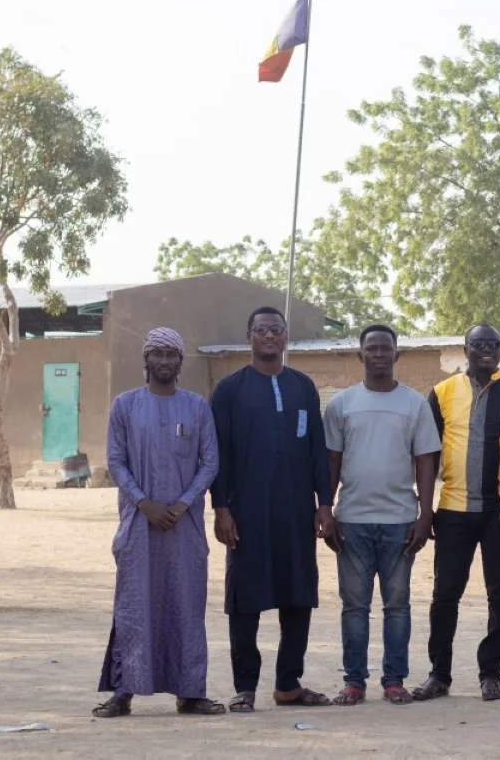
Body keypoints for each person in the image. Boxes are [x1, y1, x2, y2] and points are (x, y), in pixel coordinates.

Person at [209, 306, 336, 714]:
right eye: (261, 330)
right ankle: (245, 686)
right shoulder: (229, 390)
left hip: (297, 512)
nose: (269, 336)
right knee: (245, 598)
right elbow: (220, 455)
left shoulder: (303, 387)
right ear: (249, 336)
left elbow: (318, 450)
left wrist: (325, 503)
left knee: (298, 596)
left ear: (286, 337)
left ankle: (287, 684)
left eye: (276, 330)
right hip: (246, 513)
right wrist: (222, 508)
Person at [94, 327, 224, 718]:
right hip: (138, 526)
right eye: (158, 354)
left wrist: (183, 504)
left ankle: (191, 692)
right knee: (134, 605)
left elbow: (211, 462)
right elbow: (116, 462)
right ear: (146, 360)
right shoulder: (125, 405)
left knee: (187, 605)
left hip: (185, 528)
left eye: (172, 355)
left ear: (181, 362)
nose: (165, 361)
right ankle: (124, 691)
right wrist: (144, 503)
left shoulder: (197, 407)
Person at [323, 324, 441, 706]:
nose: (378, 355)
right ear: (360, 355)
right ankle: (354, 681)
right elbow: (332, 463)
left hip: (400, 522)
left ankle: (394, 680)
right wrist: (326, 510)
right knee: (354, 606)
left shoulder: (414, 404)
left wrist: (425, 514)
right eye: (370, 348)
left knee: (397, 606)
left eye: (384, 349)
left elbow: (426, 461)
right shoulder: (342, 405)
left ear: (396, 355)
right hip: (352, 521)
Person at [412, 324, 500, 703]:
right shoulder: (442, 392)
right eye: (479, 345)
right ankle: (439, 674)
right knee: (445, 595)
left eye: (494, 344)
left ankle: (491, 673)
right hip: (453, 510)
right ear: (465, 349)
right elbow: (427, 454)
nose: (487, 350)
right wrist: (424, 509)